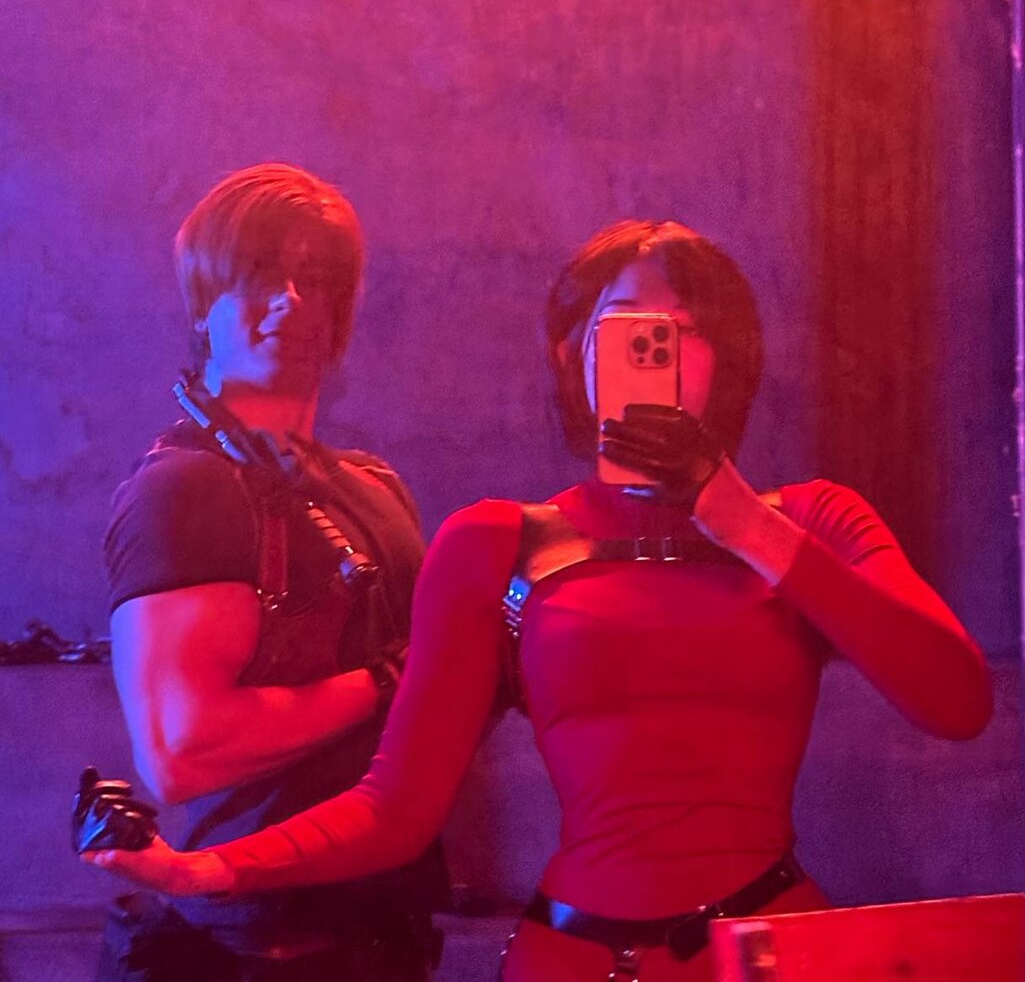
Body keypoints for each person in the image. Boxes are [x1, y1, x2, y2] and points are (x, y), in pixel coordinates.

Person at [87, 219, 992, 982]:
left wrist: (742, 523)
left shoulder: (811, 520)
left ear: (728, 357)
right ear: (574, 354)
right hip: (568, 958)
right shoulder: (497, 543)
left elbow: (956, 701)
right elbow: (397, 806)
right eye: (622, 329)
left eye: (681, 331)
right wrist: (201, 871)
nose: (652, 350)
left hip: (762, 952)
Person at [96, 163, 447, 981]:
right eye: (259, 274)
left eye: (315, 280)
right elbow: (183, 751)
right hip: (250, 950)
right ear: (203, 302)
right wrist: (385, 682)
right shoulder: (187, 487)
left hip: (384, 929)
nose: (290, 300)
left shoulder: (373, 487)